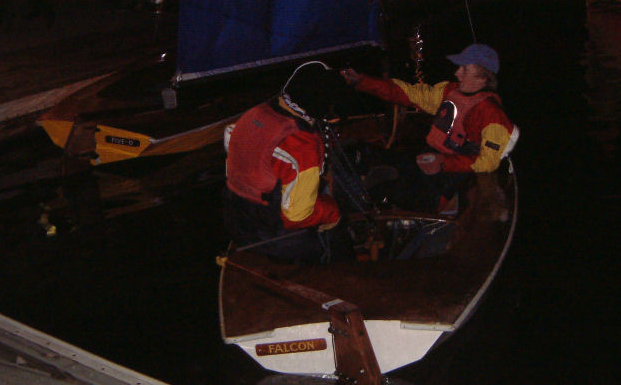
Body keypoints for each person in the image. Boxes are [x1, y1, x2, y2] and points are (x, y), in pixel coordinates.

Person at [341, 43, 518, 214]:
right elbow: (410, 93)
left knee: (388, 192)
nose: (457, 73)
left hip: (449, 175)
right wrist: (362, 81)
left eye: (465, 70)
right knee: (365, 155)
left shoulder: (493, 116)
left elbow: (488, 162)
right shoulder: (450, 91)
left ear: (483, 78)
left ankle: (447, 208)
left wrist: (443, 163)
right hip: (429, 157)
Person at [222, 61, 352, 264]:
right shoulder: (302, 145)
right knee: (336, 231)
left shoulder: (254, 114)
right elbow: (297, 217)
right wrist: (332, 212)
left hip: (235, 220)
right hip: (274, 236)